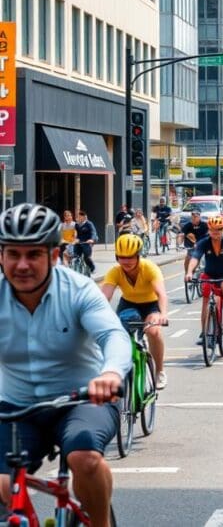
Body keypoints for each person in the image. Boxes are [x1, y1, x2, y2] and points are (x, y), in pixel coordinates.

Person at [0, 204, 131, 527]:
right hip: (16, 406)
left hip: (83, 400)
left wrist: (111, 373)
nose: (22, 265)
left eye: (33, 254)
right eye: (12, 254)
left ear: (55, 255)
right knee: (1, 484)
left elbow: (113, 335)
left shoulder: (78, 290)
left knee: (84, 460)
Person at [100, 234, 169, 389]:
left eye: (130, 257)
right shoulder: (115, 272)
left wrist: (163, 314)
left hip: (151, 305)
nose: (126, 262)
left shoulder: (149, 268)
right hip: (128, 304)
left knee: (153, 331)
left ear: (138, 255)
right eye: (121, 257)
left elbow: (161, 294)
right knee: (116, 335)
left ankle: (159, 371)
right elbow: (104, 298)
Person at [185, 216, 223, 340]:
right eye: (213, 230)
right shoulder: (203, 242)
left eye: (219, 229)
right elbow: (195, 258)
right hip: (209, 275)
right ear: (209, 230)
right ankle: (204, 333)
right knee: (205, 301)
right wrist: (189, 272)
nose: (216, 232)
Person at [178, 208, 209, 275]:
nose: (194, 218)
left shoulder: (204, 225)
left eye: (196, 216)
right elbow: (182, 234)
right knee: (189, 257)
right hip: (191, 246)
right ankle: (187, 273)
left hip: (202, 246)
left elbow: (209, 235)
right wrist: (180, 241)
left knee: (206, 259)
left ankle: (206, 274)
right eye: (193, 216)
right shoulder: (188, 225)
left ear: (199, 216)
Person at [74, 210, 98, 274]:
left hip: (87, 242)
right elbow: (74, 233)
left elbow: (93, 232)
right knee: (75, 256)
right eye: (77, 217)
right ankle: (76, 268)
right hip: (79, 242)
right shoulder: (77, 225)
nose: (78, 218)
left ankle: (93, 268)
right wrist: (74, 239)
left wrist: (92, 239)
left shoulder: (89, 224)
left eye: (79, 216)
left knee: (86, 257)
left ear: (84, 217)